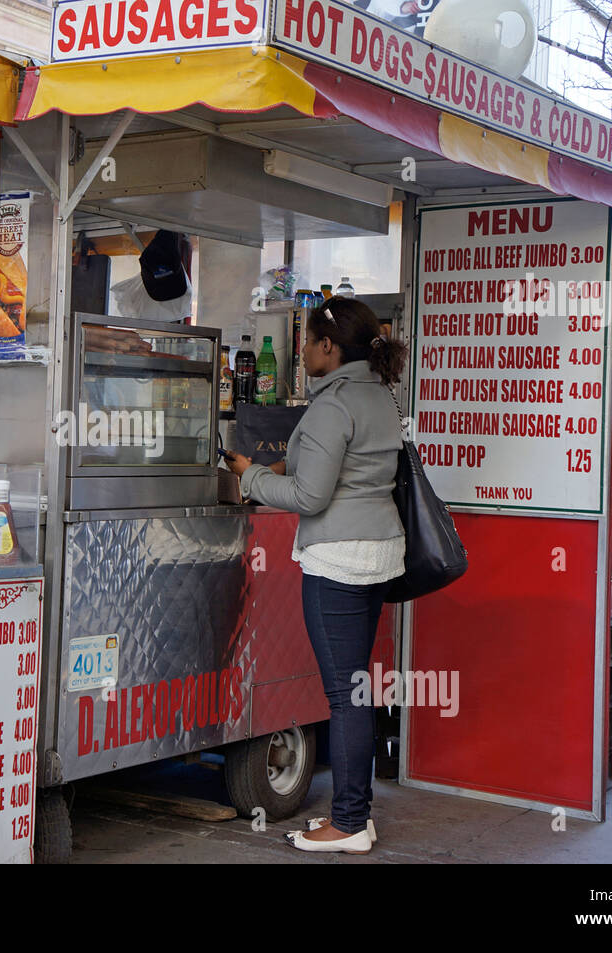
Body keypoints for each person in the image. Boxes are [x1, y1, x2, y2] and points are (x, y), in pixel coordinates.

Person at [226, 297, 407, 854]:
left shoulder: (334, 406)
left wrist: (252, 476)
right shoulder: (376, 395)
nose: (301, 352)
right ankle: (359, 816)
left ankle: (349, 822)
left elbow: (310, 495)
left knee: (345, 694)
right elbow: (343, 467)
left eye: (308, 342)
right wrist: (280, 466)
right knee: (356, 687)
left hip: (340, 558)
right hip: (378, 551)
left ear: (329, 346)